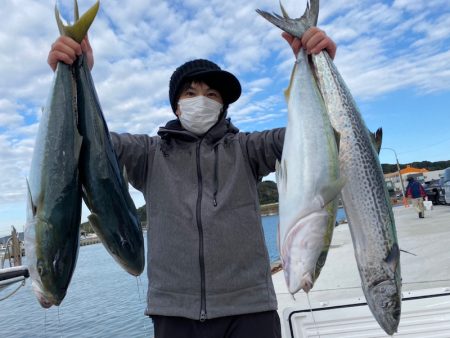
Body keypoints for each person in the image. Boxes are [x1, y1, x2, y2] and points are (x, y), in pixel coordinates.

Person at [48, 27, 336, 338]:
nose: (202, 100)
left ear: (223, 108)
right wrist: (76, 80)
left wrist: (319, 74)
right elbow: (92, 147)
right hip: (174, 314)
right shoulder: (148, 154)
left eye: (212, 95)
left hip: (250, 311)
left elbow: (318, 140)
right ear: (176, 106)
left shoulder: (247, 149)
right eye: (190, 93)